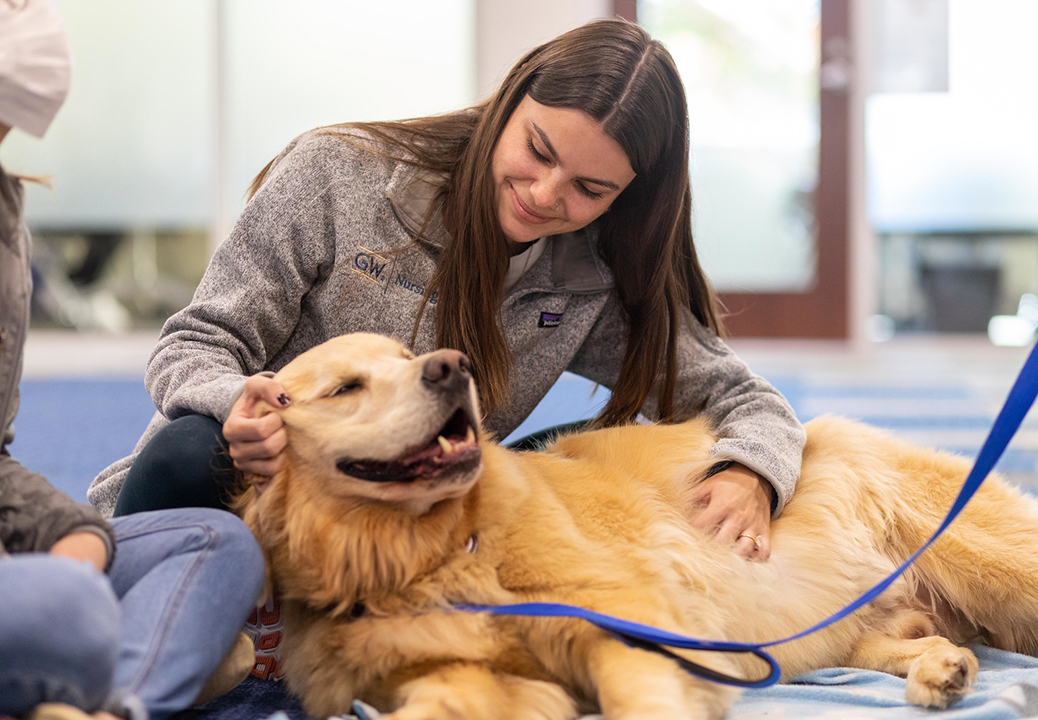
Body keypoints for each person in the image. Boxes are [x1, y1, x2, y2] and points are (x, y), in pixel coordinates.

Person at [89, 18, 806, 561]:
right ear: (508, 104)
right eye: (538, 150)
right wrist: (236, 404)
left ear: (628, 199)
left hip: (404, 535)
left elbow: (745, 401)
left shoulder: (597, 280)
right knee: (191, 450)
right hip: (263, 488)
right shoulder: (337, 175)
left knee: (615, 455)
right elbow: (195, 343)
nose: (545, 194)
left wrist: (750, 472)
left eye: (589, 189)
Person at [0, 2, 265, 718]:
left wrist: (67, 532)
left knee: (223, 545)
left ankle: (112, 706)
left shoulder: (7, 219)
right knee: (69, 612)